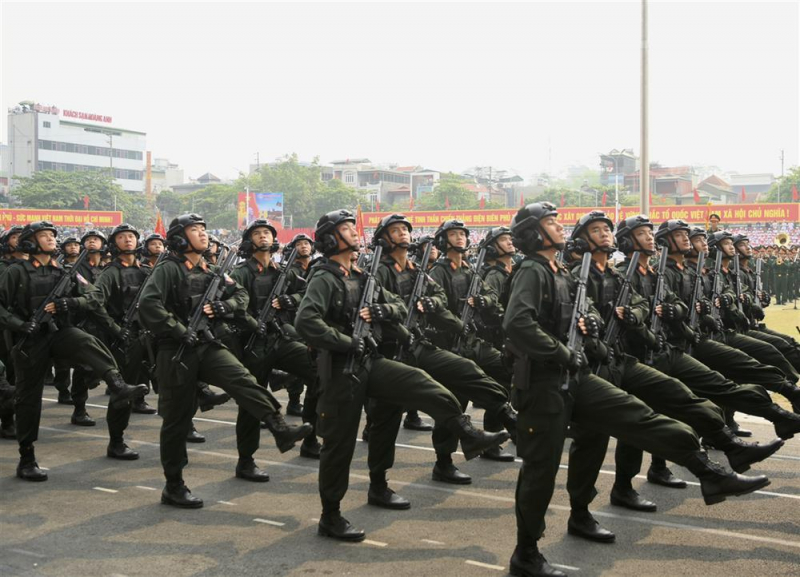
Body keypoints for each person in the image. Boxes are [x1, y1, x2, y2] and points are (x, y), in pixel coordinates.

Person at [504, 203, 769, 577]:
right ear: (534, 233)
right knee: (540, 472)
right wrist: (563, 352)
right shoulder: (532, 270)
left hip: (576, 376)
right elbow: (517, 324)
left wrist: (590, 324)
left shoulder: (560, 270)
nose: (559, 226)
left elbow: (588, 312)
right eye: (550, 223)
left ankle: (707, 470)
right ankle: (525, 554)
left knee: (638, 415)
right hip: (543, 385)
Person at [295, 209, 509, 542]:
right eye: (346, 228)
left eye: (354, 227)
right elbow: (306, 322)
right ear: (329, 239)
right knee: (339, 445)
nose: (354, 232)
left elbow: (397, 305)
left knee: (430, 388)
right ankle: (331, 515)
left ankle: (466, 434)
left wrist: (383, 310)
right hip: (340, 369)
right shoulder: (326, 276)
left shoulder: (362, 276)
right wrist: (347, 341)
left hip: (371, 360)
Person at [138, 213, 313, 508]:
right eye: (195, 230)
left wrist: (224, 306)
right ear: (181, 238)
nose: (204, 234)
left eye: (204, 229)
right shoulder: (168, 269)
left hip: (206, 344)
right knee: (177, 420)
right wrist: (179, 330)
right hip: (176, 350)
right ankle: (174, 483)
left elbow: (240, 295)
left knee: (241, 380)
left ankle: (279, 426)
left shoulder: (211, 268)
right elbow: (149, 304)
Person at [367, 213, 517, 493]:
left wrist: (438, 309)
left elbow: (439, 298)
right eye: (395, 230)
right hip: (392, 351)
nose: (402, 233)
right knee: (385, 423)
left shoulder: (418, 270)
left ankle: (507, 418)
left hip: (423, 345)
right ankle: (378, 484)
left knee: (467, 376)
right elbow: (381, 309)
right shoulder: (380, 271)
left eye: (404, 229)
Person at [0, 221, 148, 481]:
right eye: (43, 236)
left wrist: (70, 302)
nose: (50, 239)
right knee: (28, 400)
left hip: (58, 333)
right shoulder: (16, 272)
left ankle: (115, 382)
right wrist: (20, 325)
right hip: (30, 341)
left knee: (83, 340)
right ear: (30, 242)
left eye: (51, 235)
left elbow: (93, 297)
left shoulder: (65, 272)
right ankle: (27, 457)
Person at [229, 219, 322, 464]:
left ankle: (311, 439)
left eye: (267, 233)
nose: (263, 237)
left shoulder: (283, 272)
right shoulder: (240, 272)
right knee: (252, 402)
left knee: (320, 371)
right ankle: (246, 460)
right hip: (253, 344)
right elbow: (233, 306)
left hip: (279, 338)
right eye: (257, 233)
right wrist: (253, 324)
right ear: (250, 241)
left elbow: (306, 293)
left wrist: (290, 300)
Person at [429, 219, 515, 461]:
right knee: (454, 402)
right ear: (443, 240)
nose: (460, 238)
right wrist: (457, 324)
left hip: (473, 340)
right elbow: (436, 308)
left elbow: (489, 295)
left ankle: (493, 439)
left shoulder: (470, 270)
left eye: (462, 234)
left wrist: (482, 301)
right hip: (450, 343)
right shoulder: (439, 271)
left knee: (505, 374)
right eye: (454, 234)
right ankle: (443, 461)